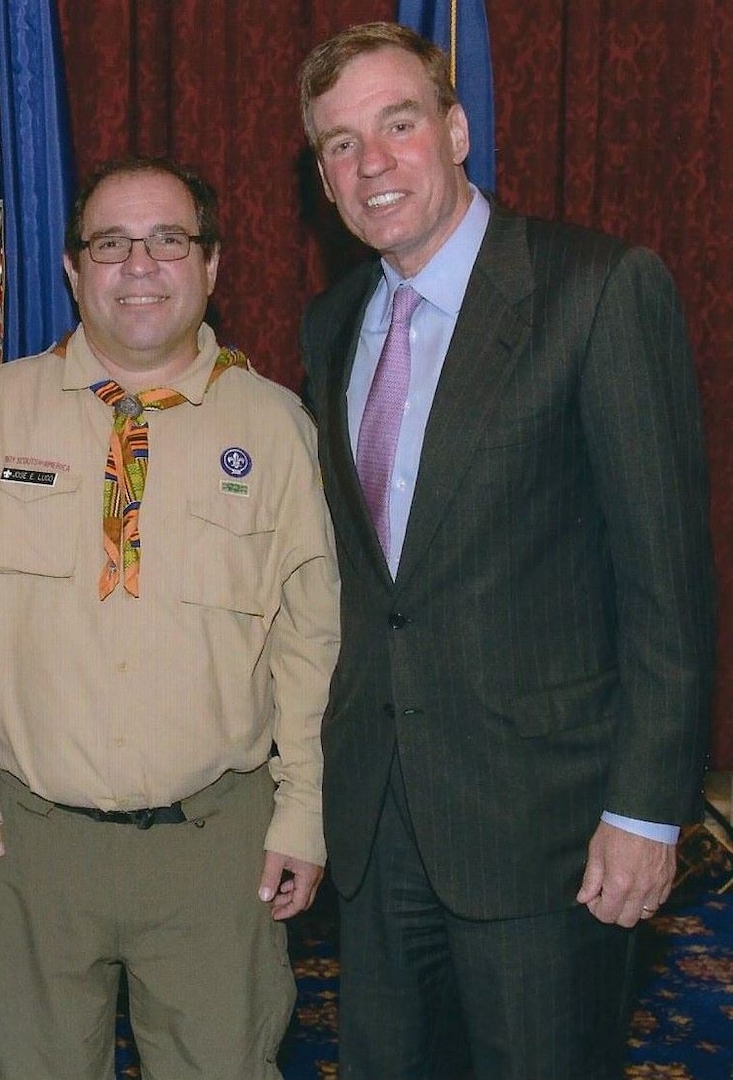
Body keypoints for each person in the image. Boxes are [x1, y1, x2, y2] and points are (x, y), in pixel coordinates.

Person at [297, 23, 715, 1078]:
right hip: (381, 824)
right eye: (340, 145)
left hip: (550, 835)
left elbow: (666, 584)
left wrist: (645, 810)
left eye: (397, 124)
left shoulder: (598, 290)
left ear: (457, 128)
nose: (372, 162)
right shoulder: (332, 324)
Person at [0, 157, 340, 1079]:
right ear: (75, 271)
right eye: (111, 244)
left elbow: (310, 641)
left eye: (169, 241)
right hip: (25, 846)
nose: (139, 266)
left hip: (217, 850)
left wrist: (304, 814)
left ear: (211, 267)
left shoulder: (277, 429)